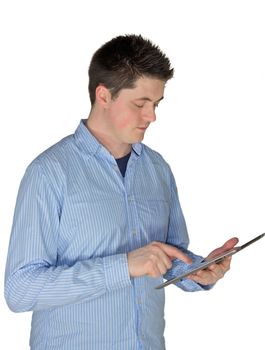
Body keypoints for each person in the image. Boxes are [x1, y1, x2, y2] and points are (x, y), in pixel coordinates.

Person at [4, 34, 238, 350]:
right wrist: (123, 265)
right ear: (104, 95)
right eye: (140, 104)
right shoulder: (49, 173)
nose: (152, 116)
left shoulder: (158, 170)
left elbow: (167, 255)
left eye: (155, 105)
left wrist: (196, 271)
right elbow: (21, 291)